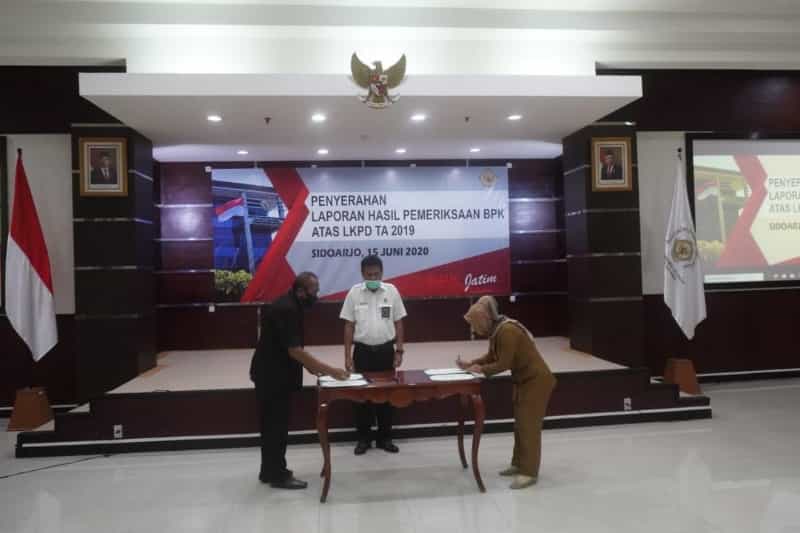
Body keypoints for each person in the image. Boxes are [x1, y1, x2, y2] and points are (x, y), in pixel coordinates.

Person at [250, 272, 349, 489]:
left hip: (270, 373)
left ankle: (268, 471)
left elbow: (291, 347)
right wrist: (331, 371)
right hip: (273, 377)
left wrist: (313, 368)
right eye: (315, 291)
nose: (317, 296)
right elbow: (294, 350)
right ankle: (278, 475)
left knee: (270, 425)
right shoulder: (287, 309)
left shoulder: (290, 304)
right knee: (276, 426)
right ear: (301, 291)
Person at [457, 296, 556, 490]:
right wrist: (471, 363)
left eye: (476, 324)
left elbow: (504, 363)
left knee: (528, 427)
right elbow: (492, 356)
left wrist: (481, 370)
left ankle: (529, 472)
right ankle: (518, 463)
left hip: (536, 382)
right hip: (524, 381)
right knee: (520, 426)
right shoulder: (498, 330)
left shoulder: (507, 331)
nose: (474, 330)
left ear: (485, 318)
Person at [340, 255, 407, 455]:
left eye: (376, 274)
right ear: (362, 274)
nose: (373, 278)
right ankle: (363, 439)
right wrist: (347, 356)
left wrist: (399, 350)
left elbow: (398, 322)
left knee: (387, 396)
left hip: (386, 351)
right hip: (362, 352)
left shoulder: (392, 291)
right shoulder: (354, 293)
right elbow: (348, 325)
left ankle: (385, 438)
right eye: (369, 275)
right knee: (361, 397)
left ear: (382, 273)